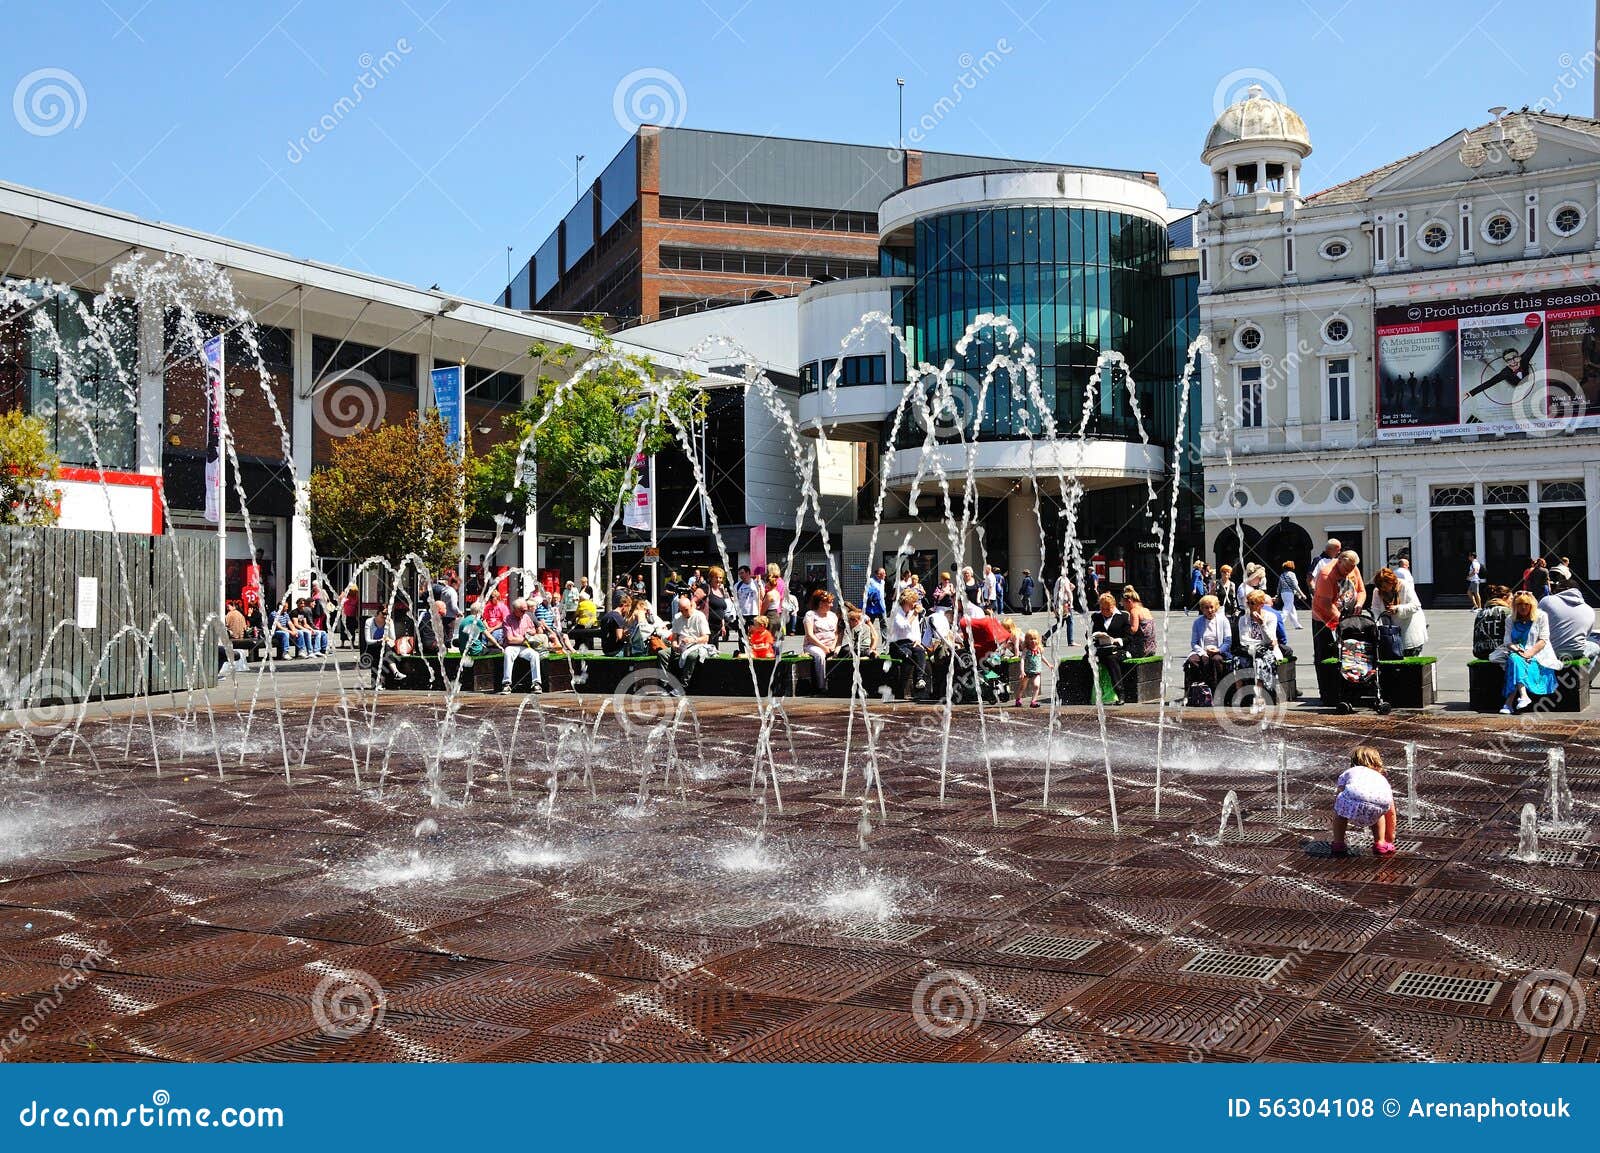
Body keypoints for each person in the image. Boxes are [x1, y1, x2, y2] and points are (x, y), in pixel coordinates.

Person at [1491, 592, 1562, 714]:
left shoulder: (1541, 616)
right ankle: (1523, 696)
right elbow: (1507, 641)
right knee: (1514, 658)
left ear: (1531, 605)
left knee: (1513, 661)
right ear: (1515, 606)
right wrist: (1518, 650)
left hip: (1537, 652)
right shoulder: (1510, 619)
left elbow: (1543, 639)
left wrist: (1529, 653)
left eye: (1526, 604)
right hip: (1515, 651)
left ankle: (1509, 703)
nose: (1523, 607)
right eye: (1519, 604)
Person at [1330, 744, 1397, 857]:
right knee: (1379, 811)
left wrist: (1341, 808)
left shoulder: (1349, 772)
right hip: (1379, 803)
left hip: (1353, 797)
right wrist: (1390, 837)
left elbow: (1339, 795)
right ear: (1377, 763)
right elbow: (1391, 812)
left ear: (1353, 762)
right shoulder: (1381, 779)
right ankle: (1380, 843)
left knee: (1339, 809)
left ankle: (1338, 843)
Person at [1312, 551, 1365, 663]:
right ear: (1339, 561)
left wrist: (1359, 603)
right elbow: (1326, 604)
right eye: (1346, 569)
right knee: (1326, 658)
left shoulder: (1352, 568)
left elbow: (1361, 591)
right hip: (1325, 621)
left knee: (1350, 658)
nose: (1348, 572)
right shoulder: (1326, 574)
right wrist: (1343, 621)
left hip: (1347, 620)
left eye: (1351, 569)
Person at [1539, 571, 1598, 663]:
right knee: (1595, 645)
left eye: (1556, 589)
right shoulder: (1589, 609)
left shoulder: (1547, 601)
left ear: (1562, 589)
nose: (1553, 591)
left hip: (1552, 651)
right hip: (1576, 652)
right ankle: (1586, 673)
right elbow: (1586, 635)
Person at [1238, 588, 1283, 704]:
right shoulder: (1243, 619)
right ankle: (1241, 695)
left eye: (1252, 603)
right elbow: (1243, 640)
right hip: (1249, 650)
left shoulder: (1271, 617)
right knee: (1236, 661)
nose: (1249, 605)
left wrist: (1262, 625)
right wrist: (1259, 643)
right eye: (1247, 602)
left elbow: (1269, 641)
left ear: (1261, 604)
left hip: (1267, 651)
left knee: (1259, 662)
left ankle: (1259, 695)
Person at [1370, 566, 1427, 657]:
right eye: (1380, 587)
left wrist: (1398, 609)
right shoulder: (1377, 591)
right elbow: (1375, 609)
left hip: (1409, 628)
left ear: (1391, 582)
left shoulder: (1404, 585)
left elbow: (1416, 605)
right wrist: (1376, 625)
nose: (1383, 589)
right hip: (1390, 633)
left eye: (1385, 586)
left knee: (1411, 657)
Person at [662, 593, 713, 692]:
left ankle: (682, 686)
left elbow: (706, 638)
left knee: (691, 656)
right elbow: (674, 637)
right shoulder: (677, 617)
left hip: (696, 645)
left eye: (686, 610)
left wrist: (693, 640)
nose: (684, 613)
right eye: (681, 611)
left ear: (691, 606)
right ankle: (665, 685)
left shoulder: (699, 616)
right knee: (662, 654)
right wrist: (674, 645)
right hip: (681, 646)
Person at [1088, 591, 1130, 705]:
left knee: (1111, 659)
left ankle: (1120, 693)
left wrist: (1117, 640)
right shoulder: (1096, 616)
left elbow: (1128, 638)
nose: (1105, 612)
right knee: (1088, 657)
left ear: (1114, 606)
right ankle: (1087, 693)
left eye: (1107, 609)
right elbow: (1089, 634)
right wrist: (1095, 636)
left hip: (1118, 649)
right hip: (1100, 648)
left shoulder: (1123, 617)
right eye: (1102, 608)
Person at [1184, 595, 1231, 694]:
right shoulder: (1197, 622)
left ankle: (1216, 690)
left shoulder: (1223, 621)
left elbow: (1227, 641)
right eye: (1206, 607)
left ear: (1216, 607)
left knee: (1216, 660)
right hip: (1202, 650)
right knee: (1192, 661)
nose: (1209, 610)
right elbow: (1194, 643)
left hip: (1218, 650)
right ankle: (1191, 692)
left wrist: (1218, 650)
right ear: (1202, 609)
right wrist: (1202, 653)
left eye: (1211, 607)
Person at [887, 589, 929, 693]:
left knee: (920, 651)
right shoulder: (896, 612)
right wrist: (914, 614)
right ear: (905, 602)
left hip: (910, 642)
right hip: (897, 644)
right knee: (908, 654)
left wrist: (918, 641)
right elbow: (903, 627)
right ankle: (902, 687)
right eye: (911, 604)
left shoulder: (911, 612)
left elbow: (916, 629)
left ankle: (920, 679)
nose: (912, 607)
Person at [499, 598, 543, 694]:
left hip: (524, 646)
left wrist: (532, 632)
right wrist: (524, 640)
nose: (524, 612)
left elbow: (533, 630)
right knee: (508, 653)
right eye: (522, 610)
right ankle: (506, 684)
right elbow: (510, 639)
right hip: (512, 646)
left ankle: (536, 683)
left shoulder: (526, 617)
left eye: (525, 610)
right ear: (515, 610)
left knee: (535, 655)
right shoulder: (507, 619)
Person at [802, 590, 841, 693]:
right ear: (821, 603)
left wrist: (833, 646)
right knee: (820, 655)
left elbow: (837, 633)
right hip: (813, 645)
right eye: (830, 602)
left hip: (831, 645)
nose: (832, 605)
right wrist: (823, 647)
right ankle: (821, 685)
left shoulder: (832, 615)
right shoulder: (810, 615)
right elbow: (809, 635)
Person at [362, 608, 405, 684]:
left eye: (387, 614)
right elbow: (368, 641)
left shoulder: (389, 621)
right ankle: (395, 672)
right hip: (372, 647)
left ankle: (393, 674)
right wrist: (380, 640)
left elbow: (393, 638)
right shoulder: (369, 622)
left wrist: (388, 626)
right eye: (383, 613)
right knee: (385, 647)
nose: (385, 616)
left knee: (385, 647)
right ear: (378, 613)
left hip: (385, 647)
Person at [1472, 584, 1513, 659]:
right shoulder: (1507, 611)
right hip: (1498, 651)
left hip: (1479, 651)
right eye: (1511, 599)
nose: (1512, 602)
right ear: (1504, 598)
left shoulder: (1480, 613)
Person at [1120, 587, 1156, 658]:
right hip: (1152, 649)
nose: (1123, 606)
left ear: (1129, 601)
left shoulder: (1134, 611)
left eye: (1123, 603)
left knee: (1118, 652)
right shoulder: (1146, 610)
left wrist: (1123, 628)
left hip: (1141, 650)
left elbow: (1133, 630)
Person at [1016, 629, 1045, 708]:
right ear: (1027, 640)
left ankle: (1033, 701)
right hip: (1026, 672)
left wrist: (1049, 665)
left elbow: (1041, 657)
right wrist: (1022, 671)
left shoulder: (1039, 649)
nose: (1033, 641)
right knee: (1022, 687)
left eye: (1035, 639)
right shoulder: (1026, 650)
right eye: (1031, 639)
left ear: (1038, 640)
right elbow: (1022, 660)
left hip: (1036, 672)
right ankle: (1018, 699)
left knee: (1036, 686)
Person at [1277, 560, 1304, 630]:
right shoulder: (1292, 574)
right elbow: (1295, 585)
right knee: (1287, 608)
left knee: (1292, 609)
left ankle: (1297, 625)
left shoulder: (1282, 575)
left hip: (1283, 593)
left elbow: (1279, 586)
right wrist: (1302, 594)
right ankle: (1278, 622)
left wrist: (1277, 594)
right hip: (1289, 593)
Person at [339, 584, 361, 648]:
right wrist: (343, 593)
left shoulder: (356, 597)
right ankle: (342, 643)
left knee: (352, 630)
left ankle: (352, 643)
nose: (352, 592)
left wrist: (357, 616)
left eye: (354, 591)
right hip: (344, 615)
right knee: (343, 629)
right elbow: (339, 599)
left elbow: (358, 607)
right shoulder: (345, 596)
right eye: (351, 590)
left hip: (353, 616)